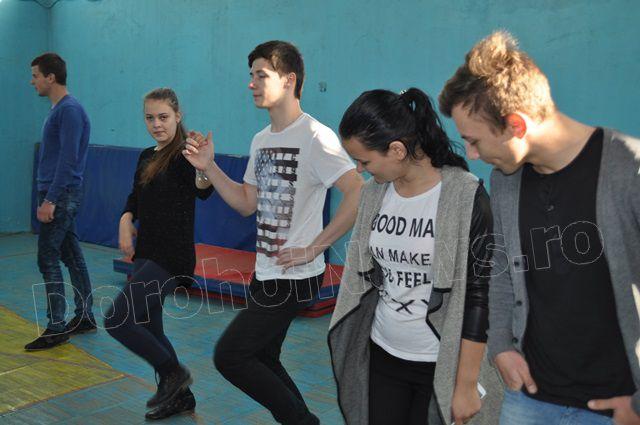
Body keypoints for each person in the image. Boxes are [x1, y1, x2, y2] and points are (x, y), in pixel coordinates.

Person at [439, 30, 640, 425]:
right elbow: (500, 270)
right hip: (529, 398)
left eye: (474, 141)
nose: (473, 155)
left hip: (617, 407)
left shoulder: (627, 168)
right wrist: (500, 344)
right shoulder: (506, 180)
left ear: (516, 125)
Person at [183, 40, 363, 424]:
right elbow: (247, 202)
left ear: (289, 79)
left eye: (261, 75)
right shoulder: (261, 140)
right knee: (263, 357)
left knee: (231, 355)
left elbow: (356, 191)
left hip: (295, 277)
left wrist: (315, 247)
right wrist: (209, 167)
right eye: (250, 75)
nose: (251, 83)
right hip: (265, 272)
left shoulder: (315, 136)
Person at [328, 88, 503, 425]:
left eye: (365, 161)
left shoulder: (466, 196)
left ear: (397, 150)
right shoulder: (374, 194)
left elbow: (480, 297)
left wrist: (466, 384)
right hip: (383, 354)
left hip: (439, 362)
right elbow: (367, 274)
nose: (359, 170)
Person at [105, 88, 213, 421]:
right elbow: (135, 198)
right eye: (150, 118)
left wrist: (204, 168)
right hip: (146, 253)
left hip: (171, 257)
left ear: (178, 116)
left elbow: (203, 189)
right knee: (149, 327)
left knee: (117, 318)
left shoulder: (185, 155)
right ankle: (182, 397)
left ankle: (173, 373)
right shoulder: (145, 156)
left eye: (163, 117)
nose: (157, 124)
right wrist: (125, 219)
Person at [25, 52, 95, 351]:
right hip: (57, 193)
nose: (33, 82)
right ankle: (85, 316)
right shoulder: (60, 110)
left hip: (61, 195)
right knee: (72, 257)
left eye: (35, 76)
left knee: (47, 257)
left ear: (50, 77)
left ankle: (56, 327)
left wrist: (51, 199)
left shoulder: (70, 110)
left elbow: (68, 159)